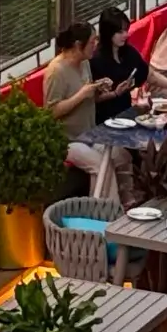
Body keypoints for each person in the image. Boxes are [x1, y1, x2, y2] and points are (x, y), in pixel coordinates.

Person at [42, 23, 134, 204]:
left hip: (89, 133)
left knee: (122, 155)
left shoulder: (84, 63)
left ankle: (128, 203)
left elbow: (89, 99)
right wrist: (82, 93)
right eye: (93, 41)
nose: (96, 45)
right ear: (78, 44)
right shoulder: (56, 71)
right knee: (101, 166)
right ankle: (103, 213)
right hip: (67, 141)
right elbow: (51, 112)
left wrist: (112, 92)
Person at [92, 7, 150, 119]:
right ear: (108, 32)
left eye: (126, 30)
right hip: (105, 118)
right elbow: (92, 98)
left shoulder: (128, 51)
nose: (126, 35)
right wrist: (115, 93)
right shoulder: (96, 59)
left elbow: (145, 71)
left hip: (126, 112)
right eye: (120, 32)